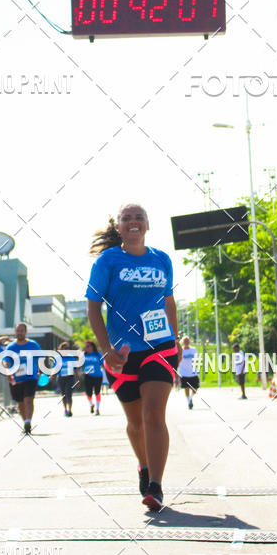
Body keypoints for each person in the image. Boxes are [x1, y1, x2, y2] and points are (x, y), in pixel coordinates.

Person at [86, 203, 181, 511]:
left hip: (160, 347)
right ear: (120, 228)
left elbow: (169, 303)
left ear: (148, 225)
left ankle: (156, 485)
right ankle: (143, 465)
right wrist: (105, 350)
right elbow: (93, 308)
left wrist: (176, 342)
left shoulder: (162, 259)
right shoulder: (108, 260)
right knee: (135, 423)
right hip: (122, 354)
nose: (134, 222)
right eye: (127, 218)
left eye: (139, 217)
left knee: (154, 415)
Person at [0, 323, 41, 434]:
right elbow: (6, 361)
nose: (19, 333)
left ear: (25, 332)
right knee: (20, 402)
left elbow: (41, 358)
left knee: (28, 399)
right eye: (18, 330)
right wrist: (7, 371)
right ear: (15, 332)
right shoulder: (11, 347)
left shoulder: (33, 345)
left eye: (22, 330)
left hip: (31, 376)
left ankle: (28, 421)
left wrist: (41, 371)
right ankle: (25, 422)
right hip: (17, 379)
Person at [55, 341, 81, 417]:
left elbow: (75, 369)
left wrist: (78, 379)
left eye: (67, 348)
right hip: (61, 378)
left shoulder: (71, 358)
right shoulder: (57, 358)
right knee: (63, 395)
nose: (66, 350)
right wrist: (51, 376)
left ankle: (70, 410)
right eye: (64, 348)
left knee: (69, 393)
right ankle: (65, 409)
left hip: (70, 378)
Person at [82, 339, 104, 415]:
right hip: (88, 376)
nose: (86, 348)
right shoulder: (84, 355)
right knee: (88, 392)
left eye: (88, 346)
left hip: (98, 375)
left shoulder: (98, 354)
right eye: (85, 346)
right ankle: (91, 404)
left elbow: (103, 364)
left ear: (92, 347)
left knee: (97, 392)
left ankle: (97, 409)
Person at [179, 335, 199, 409]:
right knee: (186, 388)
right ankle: (189, 401)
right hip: (184, 373)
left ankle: (191, 398)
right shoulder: (181, 350)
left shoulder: (193, 349)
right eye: (185, 341)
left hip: (193, 372)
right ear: (183, 342)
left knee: (195, 388)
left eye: (187, 341)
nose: (186, 342)